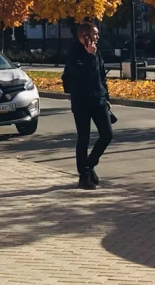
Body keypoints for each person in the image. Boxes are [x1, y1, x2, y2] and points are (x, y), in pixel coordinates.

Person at [62, 21, 113, 190]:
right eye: (95, 34)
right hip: (81, 102)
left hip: (98, 100)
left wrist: (106, 96)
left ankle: (89, 165)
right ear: (85, 36)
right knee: (83, 138)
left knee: (107, 135)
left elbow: (101, 76)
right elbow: (81, 76)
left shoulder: (96, 52)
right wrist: (90, 56)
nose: (97, 37)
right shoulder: (74, 52)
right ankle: (83, 176)